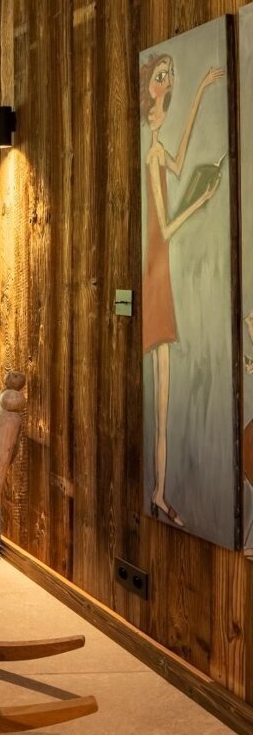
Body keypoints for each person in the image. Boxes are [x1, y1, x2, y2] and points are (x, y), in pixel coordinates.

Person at [139, 52, 225, 526]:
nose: (166, 80)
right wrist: (202, 200)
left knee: (165, 396)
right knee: (164, 396)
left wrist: (198, 94)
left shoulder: (155, 146)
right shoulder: (150, 153)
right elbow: (166, 229)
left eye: (170, 75)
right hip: (156, 280)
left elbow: (182, 156)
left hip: (160, 277)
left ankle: (157, 490)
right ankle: (158, 490)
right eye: (161, 75)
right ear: (150, 89)